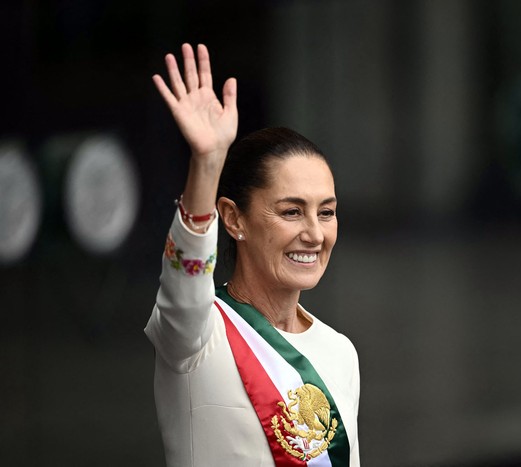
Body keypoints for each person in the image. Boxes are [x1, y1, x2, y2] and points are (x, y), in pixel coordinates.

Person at [145, 43, 360, 466]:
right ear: (234, 218)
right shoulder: (196, 335)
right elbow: (183, 279)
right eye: (291, 212)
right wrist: (207, 163)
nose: (314, 234)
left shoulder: (340, 351)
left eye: (327, 212)